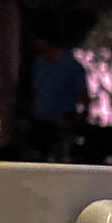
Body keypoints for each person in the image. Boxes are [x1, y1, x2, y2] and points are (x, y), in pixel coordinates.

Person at [22, 26, 90, 159]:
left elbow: (85, 98)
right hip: (39, 125)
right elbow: (36, 93)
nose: (35, 43)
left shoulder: (72, 67)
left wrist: (76, 122)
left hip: (62, 126)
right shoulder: (40, 65)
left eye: (38, 39)